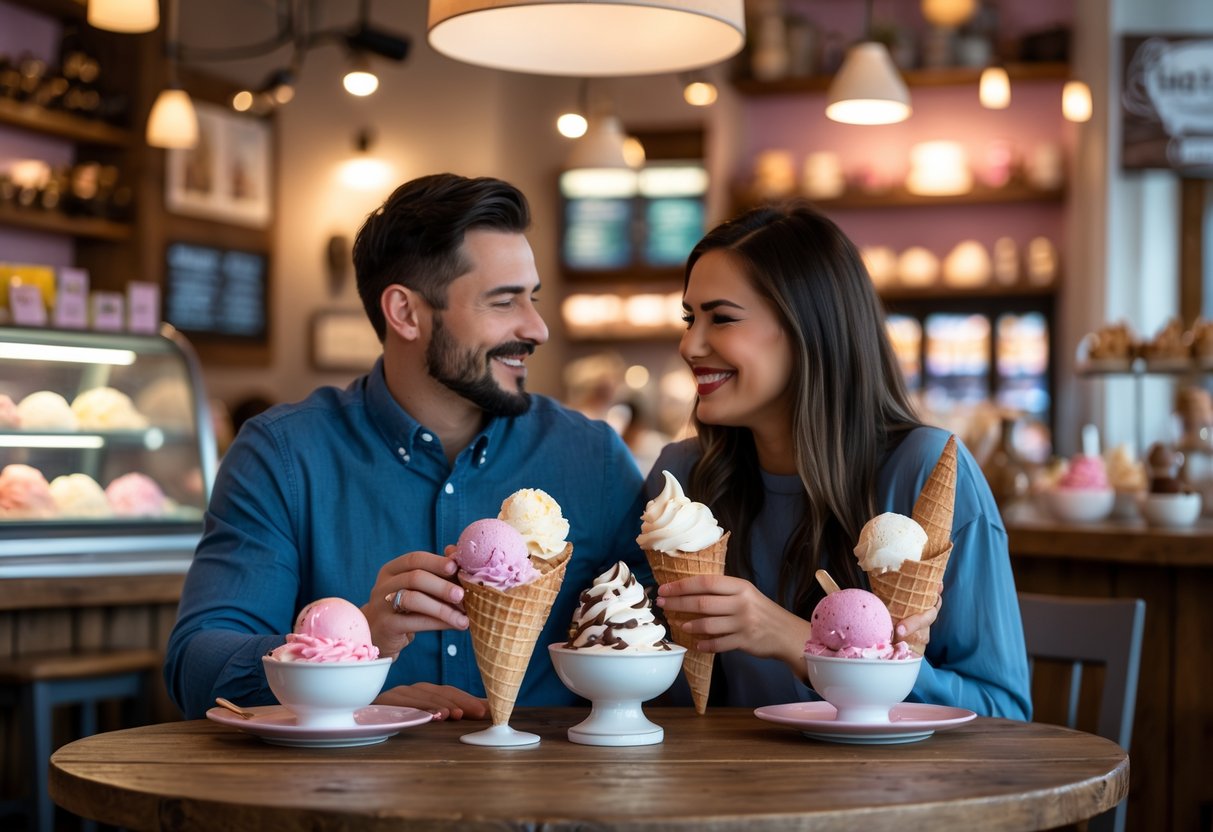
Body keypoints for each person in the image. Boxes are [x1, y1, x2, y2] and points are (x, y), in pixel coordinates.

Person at [164, 174, 648, 720]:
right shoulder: (282, 456)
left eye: (531, 299)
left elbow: (665, 644)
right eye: (503, 302)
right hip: (345, 795)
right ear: (406, 312)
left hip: (555, 791)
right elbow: (196, 666)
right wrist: (349, 662)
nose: (537, 328)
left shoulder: (593, 458)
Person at [649, 201, 1032, 719]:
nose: (689, 343)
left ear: (810, 329)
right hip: (728, 791)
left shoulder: (926, 471)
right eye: (690, 317)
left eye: (722, 318)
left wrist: (799, 641)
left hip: (897, 796)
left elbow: (1004, 715)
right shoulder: (683, 482)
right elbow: (653, 698)